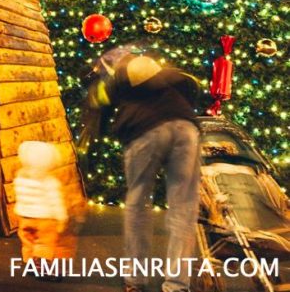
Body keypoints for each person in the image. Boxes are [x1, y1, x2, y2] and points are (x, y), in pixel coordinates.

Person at [93, 50, 201, 292]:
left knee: (137, 203)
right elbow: (192, 91)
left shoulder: (117, 78)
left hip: (143, 131)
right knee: (184, 208)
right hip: (185, 127)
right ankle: (176, 285)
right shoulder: (168, 76)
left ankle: (135, 280)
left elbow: (101, 107)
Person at [14, 141, 77, 273]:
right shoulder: (49, 182)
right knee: (44, 242)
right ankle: (41, 265)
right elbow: (55, 202)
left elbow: (19, 197)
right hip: (45, 219)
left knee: (28, 241)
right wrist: (62, 218)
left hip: (25, 217)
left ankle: (29, 262)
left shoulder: (20, 178)